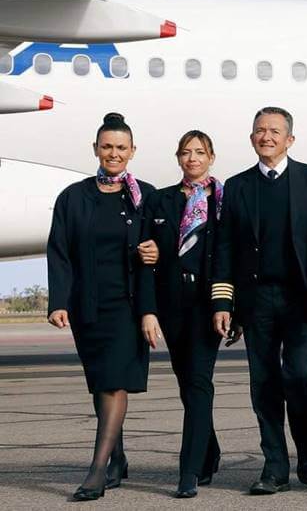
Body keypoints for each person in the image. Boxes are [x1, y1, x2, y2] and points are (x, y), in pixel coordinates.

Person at [211, 107, 307, 495]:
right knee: (263, 383)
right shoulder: (237, 186)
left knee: (300, 376)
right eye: (260, 131)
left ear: (289, 140)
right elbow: (225, 248)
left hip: (300, 298)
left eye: (275, 131)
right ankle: (275, 466)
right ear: (251, 139)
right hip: (256, 299)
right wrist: (223, 303)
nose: (267, 137)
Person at [46, 112, 159, 502]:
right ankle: (118, 457)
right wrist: (58, 301)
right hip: (87, 306)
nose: (114, 153)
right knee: (100, 383)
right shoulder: (73, 197)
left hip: (128, 307)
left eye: (121, 148)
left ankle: (96, 470)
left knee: (114, 383)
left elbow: (162, 246)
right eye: (107, 146)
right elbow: (59, 252)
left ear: (133, 152)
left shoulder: (145, 196)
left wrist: (156, 253)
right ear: (95, 149)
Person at [140, 130, 227, 498]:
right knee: (186, 384)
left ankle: (188, 472)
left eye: (200, 152)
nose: (192, 158)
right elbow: (144, 257)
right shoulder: (160, 201)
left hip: (207, 306)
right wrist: (149, 310)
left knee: (198, 383)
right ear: (178, 158)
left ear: (211, 157)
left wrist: (227, 307)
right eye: (186, 153)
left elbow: (231, 256)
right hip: (171, 304)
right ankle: (210, 451)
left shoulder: (224, 201)